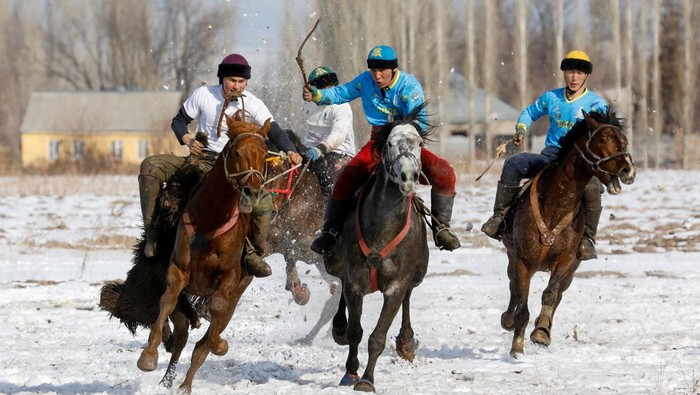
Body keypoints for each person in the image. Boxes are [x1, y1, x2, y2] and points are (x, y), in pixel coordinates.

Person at [138, 53, 302, 277]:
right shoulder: (203, 95)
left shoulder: (254, 104)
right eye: (232, 80)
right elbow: (179, 122)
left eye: (242, 82)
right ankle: (153, 233)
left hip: (237, 167)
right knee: (150, 166)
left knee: (263, 201)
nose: (237, 85)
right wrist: (188, 140)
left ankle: (253, 253)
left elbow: (274, 130)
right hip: (203, 158)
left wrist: (290, 149)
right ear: (222, 78)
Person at [303, 45, 461, 254]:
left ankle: (441, 229)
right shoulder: (365, 81)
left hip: (406, 141)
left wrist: (398, 133)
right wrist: (318, 96)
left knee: (445, 172)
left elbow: (419, 124)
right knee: (347, 175)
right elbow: (342, 93)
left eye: (382, 71)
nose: (377, 76)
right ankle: (330, 232)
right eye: (373, 71)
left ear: (394, 69)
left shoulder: (409, 87)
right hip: (378, 141)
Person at [481, 50, 607, 260]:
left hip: (581, 163)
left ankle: (588, 239)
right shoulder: (551, 98)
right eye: (570, 72)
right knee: (513, 164)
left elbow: (605, 134)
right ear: (564, 74)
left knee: (593, 186)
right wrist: (521, 129)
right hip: (552, 157)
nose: (574, 77)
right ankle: (499, 218)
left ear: (586, 76)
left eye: (579, 73)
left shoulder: (597, 105)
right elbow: (530, 112)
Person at [302, 66, 356, 198]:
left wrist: (320, 148)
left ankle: (330, 207)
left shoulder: (341, 105)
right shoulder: (308, 105)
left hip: (338, 152)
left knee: (326, 172)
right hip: (312, 151)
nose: (328, 90)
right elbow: (310, 132)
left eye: (331, 85)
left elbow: (338, 135)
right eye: (322, 87)